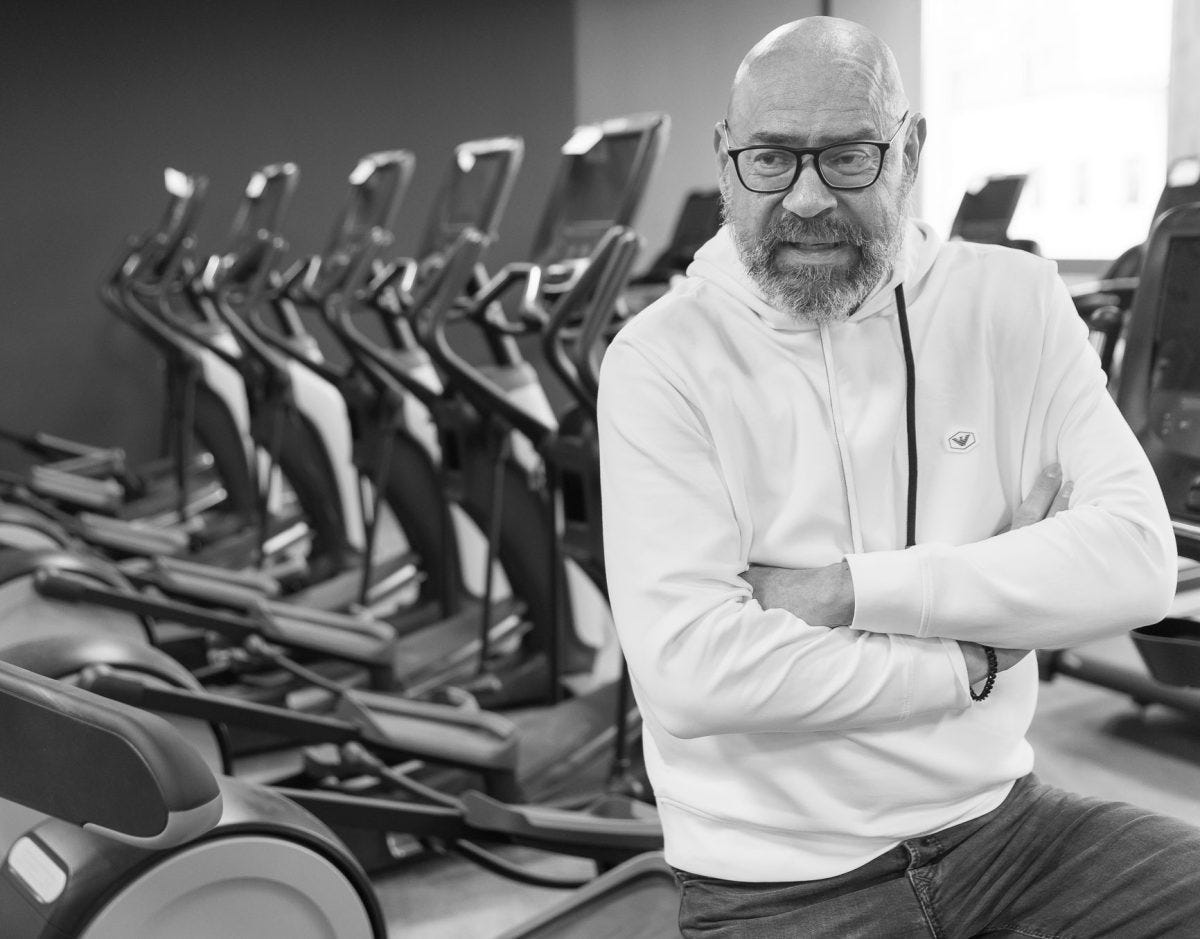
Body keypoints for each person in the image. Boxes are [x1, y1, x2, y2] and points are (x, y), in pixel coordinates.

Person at [597, 15, 1200, 938]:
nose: (806, 198)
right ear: (726, 161)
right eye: (771, 158)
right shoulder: (660, 358)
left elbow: (1138, 562)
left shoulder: (1013, 303)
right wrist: (973, 656)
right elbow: (692, 673)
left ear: (910, 151)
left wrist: (845, 590)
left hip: (1003, 828)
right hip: (777, 876)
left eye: (848, 157)